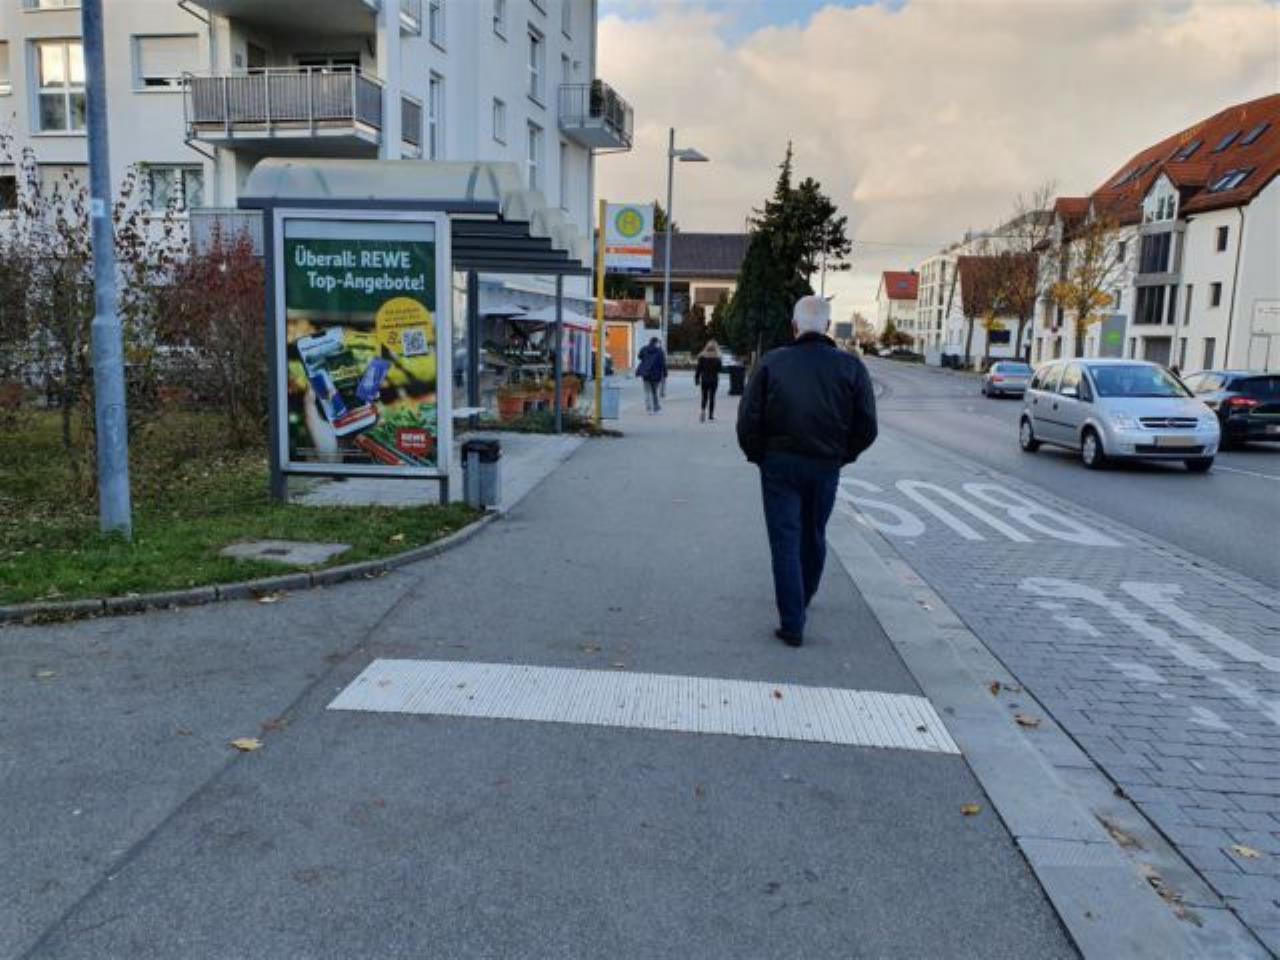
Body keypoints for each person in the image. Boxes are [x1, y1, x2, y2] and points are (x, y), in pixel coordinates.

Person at [736, 296, 878, 647]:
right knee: (813, 533)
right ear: (827, 327)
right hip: (825, 465)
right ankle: (805, 594)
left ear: (794, 326)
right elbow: (867, 425)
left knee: (784, 540)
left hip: (779, 464)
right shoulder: (851, 367)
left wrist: (759, 456)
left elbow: (748, 419)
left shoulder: (772, 363)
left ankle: (792, 622)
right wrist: (843, 455)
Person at [694, 340, 724, 422]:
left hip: (704, 379)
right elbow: (720, 370)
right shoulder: (717, 358)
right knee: (712, 397)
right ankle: (711, 415)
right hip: (714, 380)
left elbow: (698, 369)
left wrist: (696, 379)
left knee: (704, 396)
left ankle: (703, 411)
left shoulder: (702, 357)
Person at [636, 337, 667, 414]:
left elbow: (639, 356)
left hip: (646, 374)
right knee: (655, 391)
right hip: (657, 375)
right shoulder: (660, 351)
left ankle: (649, 409)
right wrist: (665, 373)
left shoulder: (644, 349)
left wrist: (646, 359)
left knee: (647, 392)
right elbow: (663, 364)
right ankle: (656, 408)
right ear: (656, 343)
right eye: (658, 343)